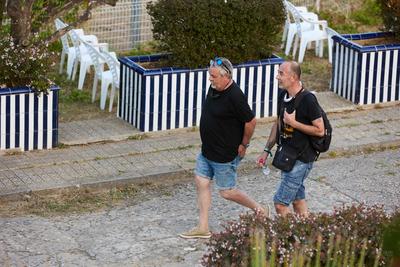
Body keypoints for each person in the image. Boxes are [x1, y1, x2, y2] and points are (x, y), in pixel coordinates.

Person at [179, 57, 268, 239]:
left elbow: (250, 121)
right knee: (201, 181)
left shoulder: (235, 95)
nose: (210, 79)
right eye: (209, 75)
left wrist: (244, 144)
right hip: (208, 151)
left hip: (224, 154)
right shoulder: (214, 89)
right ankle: (203, 227)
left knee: (227, 192)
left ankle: (260, 209)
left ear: (225, 76)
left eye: (213, 76)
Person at [257, 61, 324, 217]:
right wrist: (266, 150)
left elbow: (320, 130)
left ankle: (290, 238)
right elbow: (279, 122)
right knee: (297, 199)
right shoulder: (283, 95)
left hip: (301, 159)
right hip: (287, 156)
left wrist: (294, 123)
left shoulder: (308, 100)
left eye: (281, 73)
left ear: (293, 77)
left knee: (280, 204)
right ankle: (307, 235)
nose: (277, 77)